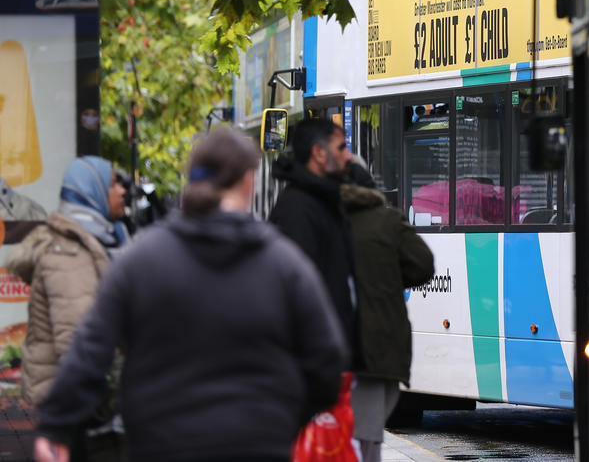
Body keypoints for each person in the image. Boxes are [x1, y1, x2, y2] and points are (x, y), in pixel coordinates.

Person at [32, 127, 347, 462]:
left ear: (192, 181)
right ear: (247, 181)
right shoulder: (284, 264)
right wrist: (280, 419)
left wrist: (55, 427)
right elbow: (327, 363)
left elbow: (90, 349)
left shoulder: (141, 259)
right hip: (258, 444)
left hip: (161, 444)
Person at [5, 156, 127, 462]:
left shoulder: (97, 242)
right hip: (77, 409)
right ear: (92, 191)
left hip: (79, 406)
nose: (122, 190)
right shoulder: (70, 252)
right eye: (113, 183)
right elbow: (78, 342)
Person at [342, 162, 434, 462]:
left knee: (350, 437)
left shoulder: (324, 222)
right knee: (368, 437)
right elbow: (422, 265)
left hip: (335, 349)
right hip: (382, 349)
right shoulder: (388, 221)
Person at [269, 118, 358, 360]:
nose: (348, 156)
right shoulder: (298, 209)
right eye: (341, 147)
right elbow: (297, 296)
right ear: (319, 153)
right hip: (313, 367)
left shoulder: (324, 202)